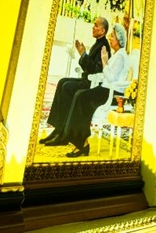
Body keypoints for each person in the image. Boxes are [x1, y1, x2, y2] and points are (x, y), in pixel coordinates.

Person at [56, 23, 132, 158]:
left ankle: (82, 145)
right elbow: (107, 75)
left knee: (82, 97)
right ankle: (81, 142)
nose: (110, 38)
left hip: (113, 93)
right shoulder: (117, 54)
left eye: (112, 36)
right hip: (106, 89)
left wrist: (104, 62)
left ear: (119, 39)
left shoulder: (121, 56)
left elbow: (111, 77)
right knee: (80, 94)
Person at [40, 17, 110, 146]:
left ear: (102, 30)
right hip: (86, 78)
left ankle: (63, 135)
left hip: (92, 83)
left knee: (67, 87)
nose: (93, 27)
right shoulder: (97, 44)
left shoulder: (104, 46)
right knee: (62, 82)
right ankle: (58, 129)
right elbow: (87, 67)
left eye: (96, 25)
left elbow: (97, 70)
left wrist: (84, 55)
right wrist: (82, 54)